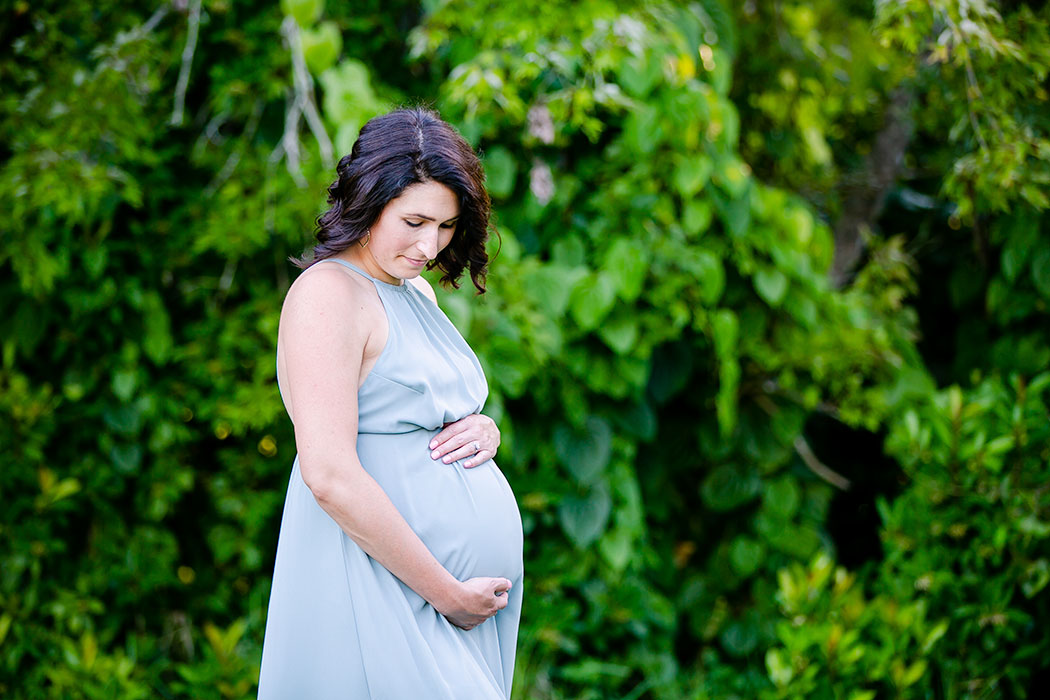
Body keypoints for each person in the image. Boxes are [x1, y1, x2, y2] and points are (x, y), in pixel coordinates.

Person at [258, 107, 524, 699]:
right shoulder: (328, 294)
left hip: (434, 599)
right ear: (368, 201)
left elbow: (417, 409)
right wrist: (447, 593)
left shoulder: (415, 292)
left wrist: (483, 429)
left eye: (447, 226)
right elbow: (328, 474)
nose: (430, 245)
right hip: (381, 584)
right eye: (415, 220)